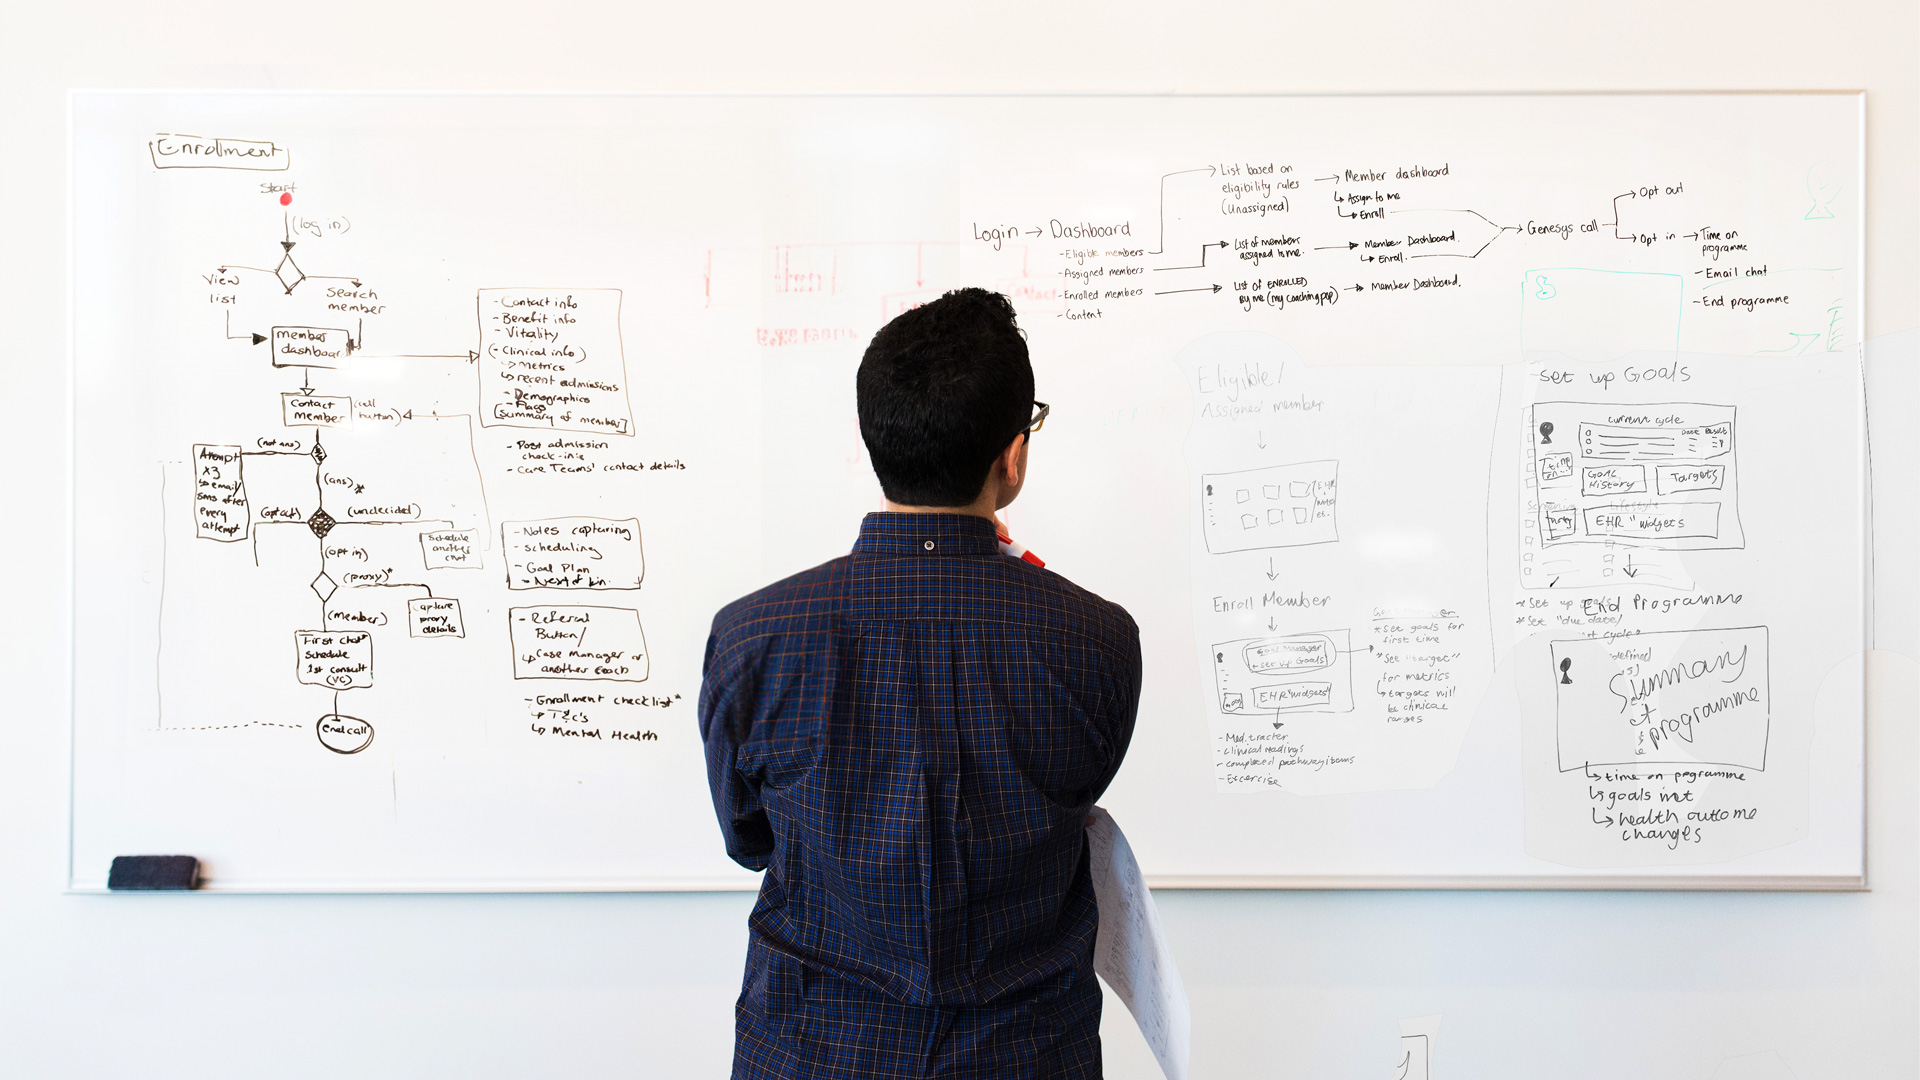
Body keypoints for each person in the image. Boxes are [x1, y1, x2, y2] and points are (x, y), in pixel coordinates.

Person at [698, 287, 1142, 1079]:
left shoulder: (751, 637)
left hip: (812, 1050)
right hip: (1026, 1055)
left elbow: (749, 840)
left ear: (876, 442)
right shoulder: (1098, 640)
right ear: (1012, 455)